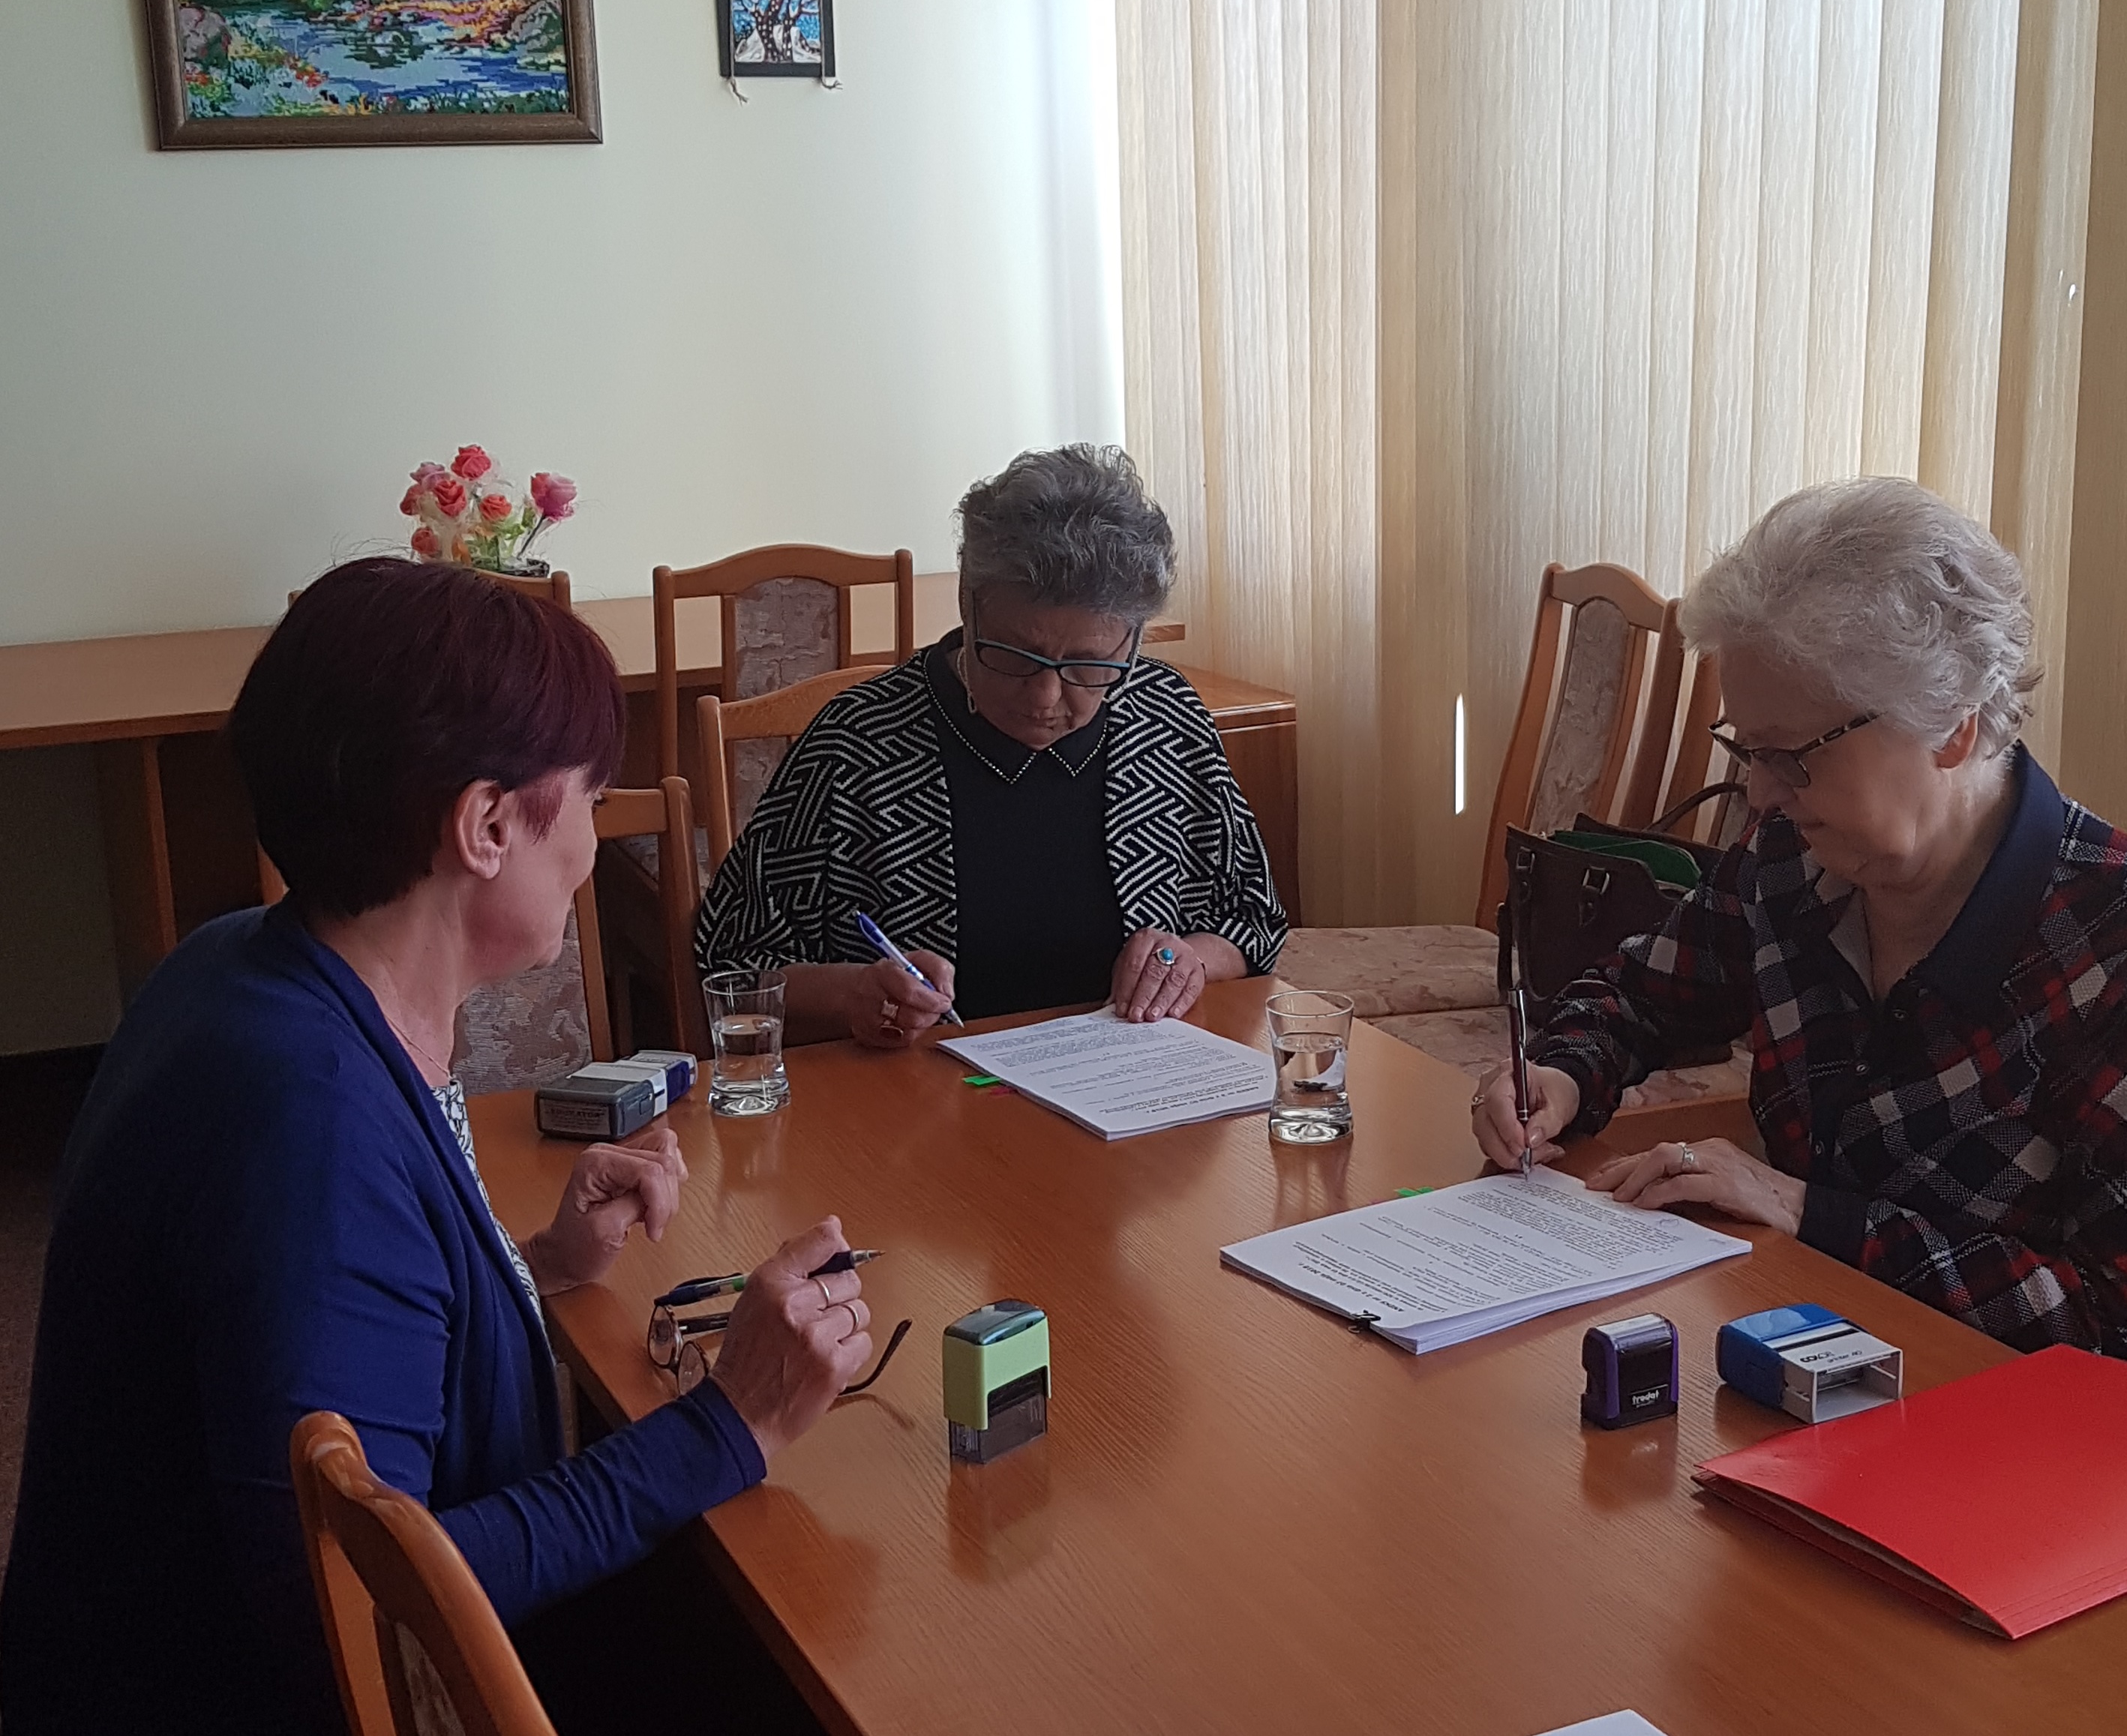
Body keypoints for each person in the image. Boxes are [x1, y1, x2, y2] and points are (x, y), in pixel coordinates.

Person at [0, 561, 878, 1735]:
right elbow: (365, 1600)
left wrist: (528, 1263)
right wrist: (736, 1417)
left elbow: (329, 1321)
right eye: (588, 794)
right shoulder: (307, 1122)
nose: (593, 838)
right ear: (487, 824)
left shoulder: (245, 963)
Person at [1471, 478, 2127, 1388]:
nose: (1759, 794)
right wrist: (1560, 1074)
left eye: (1791, 756)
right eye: (1746, 750)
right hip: (1827, 1354)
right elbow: (1640, 997)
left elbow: (2119, 1319)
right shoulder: (1792, 858)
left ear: (1951, 726)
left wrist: (1807, 1210)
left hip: (2075, 1430)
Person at [695, 445, 1286, 1040]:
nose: (1045, 696)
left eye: (1087, 665)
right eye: (1013, 655)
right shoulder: (859, 743)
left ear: (1133, 641)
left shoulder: (1163, 716)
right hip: (920, 1084)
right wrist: (854, 993)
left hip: (1131, 1075)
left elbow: (1252, 917)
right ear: (967, 605)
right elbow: (732, 962)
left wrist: (1187, 960)